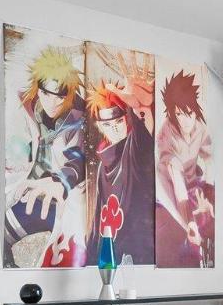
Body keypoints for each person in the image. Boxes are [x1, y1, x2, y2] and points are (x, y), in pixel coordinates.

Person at [6, 46, 86, 267]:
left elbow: (78, 159)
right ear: (38, 89)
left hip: (58, 197)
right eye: (46, 94)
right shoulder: (29, 104)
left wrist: (60, 182)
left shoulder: (78, 119)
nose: (52, 103)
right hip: (31, 186)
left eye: (60, 97)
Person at [84, 59, 156, 266]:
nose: (115, 128)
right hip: (111, 253)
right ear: (100, 127)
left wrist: (141, 109)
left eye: (118, 121)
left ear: (126, 119)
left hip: (138, 253)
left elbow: (143, 140)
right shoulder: (102, 166)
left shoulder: (133, 149)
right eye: (108, 124)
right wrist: (91, 259)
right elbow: (98, 219)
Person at [155, 69, 215, 267]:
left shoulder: (201, 128)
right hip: (168, 186)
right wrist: (189, 222)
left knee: (207, 217)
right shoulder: (167, 133)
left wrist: (209, 194)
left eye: (188, 113)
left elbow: (210, 159)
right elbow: (177, 182)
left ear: (195, 110)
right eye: (179, 114)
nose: (184, 120)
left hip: (191, 182)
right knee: (184, 227)